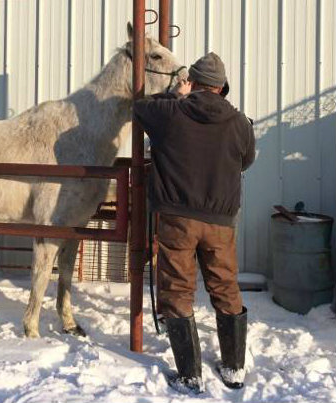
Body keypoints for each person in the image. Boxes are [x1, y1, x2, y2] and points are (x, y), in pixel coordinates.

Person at [134, 52, 255, 393]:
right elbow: (246, 160)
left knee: (177, 291)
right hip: (220, 222)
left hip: (177, 219)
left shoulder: (172, 112)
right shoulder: (239, 123)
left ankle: (191, 374)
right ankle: (233, 368)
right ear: (222, 87)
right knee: (225, 287)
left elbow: (140, 108)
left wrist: (176, 95)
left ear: (194, 83)